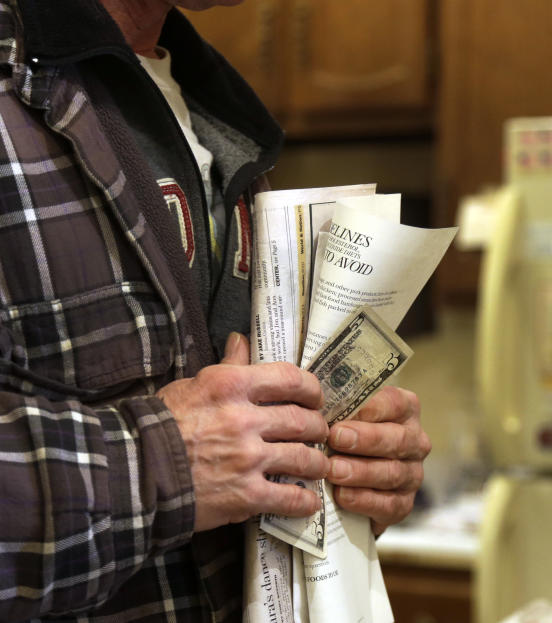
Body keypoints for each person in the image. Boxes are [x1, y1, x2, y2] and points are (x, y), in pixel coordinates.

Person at [0, 0, 430, 621]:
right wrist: (165, 467)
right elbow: (194, 461)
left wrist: (345, 470)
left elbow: (242, 463)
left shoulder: (215, 118)